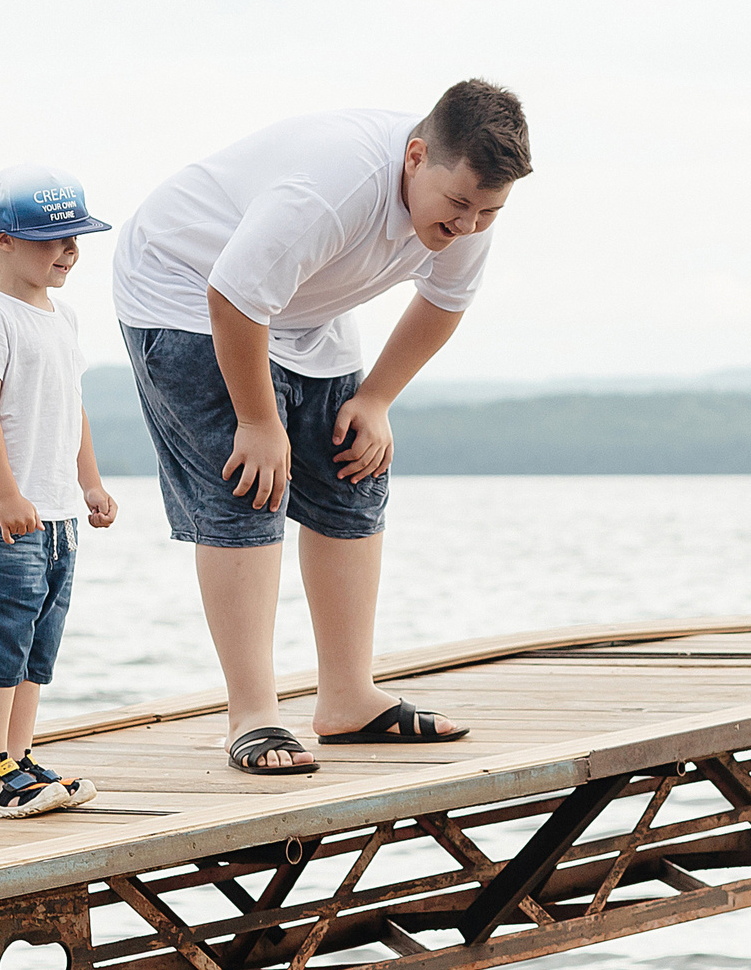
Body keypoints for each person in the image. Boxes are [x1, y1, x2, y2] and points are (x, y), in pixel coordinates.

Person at [111, 79, 531, 775]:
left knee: (353, 471)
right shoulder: (335, 186)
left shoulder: (469, 207)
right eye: (459, 204)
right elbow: (232, 294)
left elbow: (445, 301)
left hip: (301, 304)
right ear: (416, 157)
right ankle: (252, 714)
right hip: (186, 287)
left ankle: (347, 698)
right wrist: (257, 420)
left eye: (489, 211)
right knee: (249, 483)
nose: (468, 225)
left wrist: (377, 399)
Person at [0, 164, 121, 817]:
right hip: (3, 520)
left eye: (75, 238)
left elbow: (72, 407)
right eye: (53, 238)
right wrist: (5, 494)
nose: (70, 250)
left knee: (35, 648)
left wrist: (90, 482)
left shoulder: (64, 318)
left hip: (57, 517)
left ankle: (18, 759)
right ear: (3, 240)